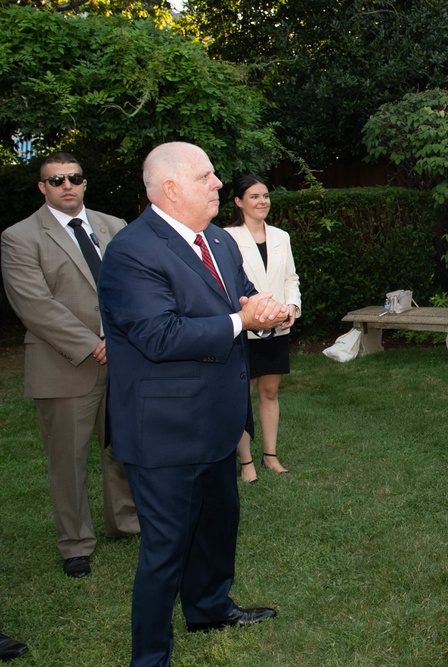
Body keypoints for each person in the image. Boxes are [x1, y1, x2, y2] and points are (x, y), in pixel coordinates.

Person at [99, 142, 286, 667]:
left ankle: (209, 608)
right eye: (207, 176)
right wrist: (241, 323)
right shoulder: (132, 250)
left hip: (217, 420)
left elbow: (243, 294)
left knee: (216, 527)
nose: (218, 184)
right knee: (166, 550)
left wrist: (263, 307)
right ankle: (151, 655)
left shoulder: (219, 243)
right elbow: (158, 335)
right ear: (171, 188)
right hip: (163, 430)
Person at [1, 152, 139, 578]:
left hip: (123, 361)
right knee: (68, 460)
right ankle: (75, 543)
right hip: (63, 365)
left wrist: (122, 337)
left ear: (84, 183)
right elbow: (34, 305)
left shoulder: (115, 227)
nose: (67, 185)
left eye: (74, 178)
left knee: (122, 448)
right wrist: (94, 344)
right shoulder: (20, 236)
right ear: (42, 188)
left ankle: (127, 522)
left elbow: (139, 285)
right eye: (56, 179)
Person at [225, 176, 301, 483]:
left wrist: (291, 307)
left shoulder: (281, 236)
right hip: (243, 329)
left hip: (277, 327)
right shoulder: (224, 237)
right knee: (242, 395)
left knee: (270, 392)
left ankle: (270, 456)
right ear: (239, 202)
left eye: (266, 196)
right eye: (254, 196)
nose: (262, 201)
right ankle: (246, 462)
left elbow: (290, 279)